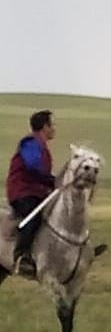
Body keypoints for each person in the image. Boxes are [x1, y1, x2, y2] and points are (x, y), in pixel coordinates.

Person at [6, 110, 58, 277]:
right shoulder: (30, 143)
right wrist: (52, 180)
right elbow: (33, 167)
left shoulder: (41, 146)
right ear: (45, 126)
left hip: (36, 193)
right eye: (52, 125)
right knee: (33, 217)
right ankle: (21, 257)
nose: (54, 129)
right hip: (22, 192)